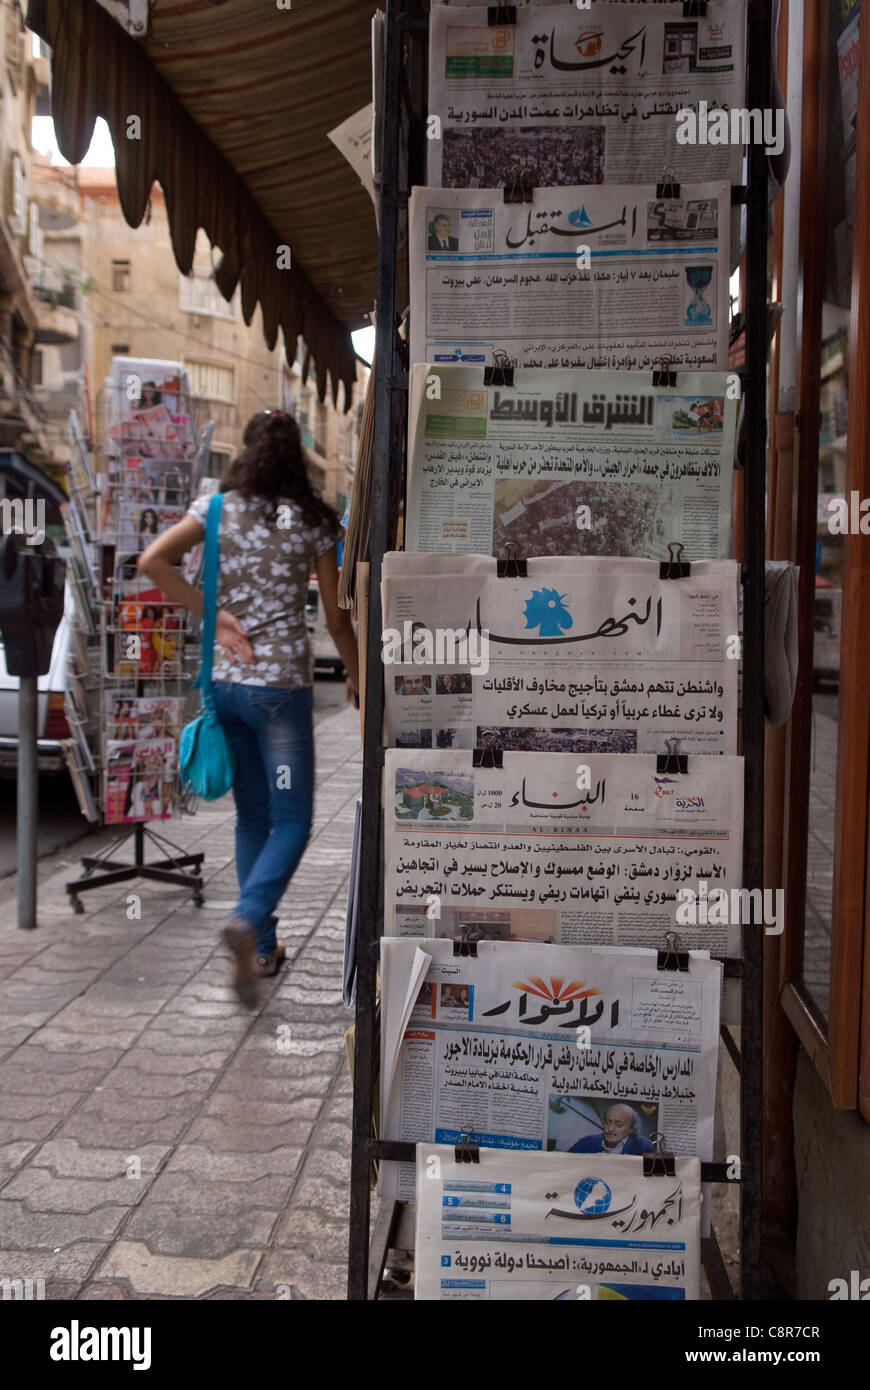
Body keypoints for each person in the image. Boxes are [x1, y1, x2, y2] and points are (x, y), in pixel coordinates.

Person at [139, 410, 359, 1007]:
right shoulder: (313, 521)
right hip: (281, 693)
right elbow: (336, 617)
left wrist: (214, 617)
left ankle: (262, 948)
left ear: (246, 453)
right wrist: (359, 672)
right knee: (292, 821)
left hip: (226, 690)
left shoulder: (214, 508)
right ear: (296, 459)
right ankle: (247, 920)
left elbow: (152, 562)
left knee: (252, 820)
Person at [568, 1103, 653, 1155]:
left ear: (632, 1129)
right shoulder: (585, 1142)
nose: (610, 1128)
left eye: (618, 1124)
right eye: (607, 1122)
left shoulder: (646, 1148)